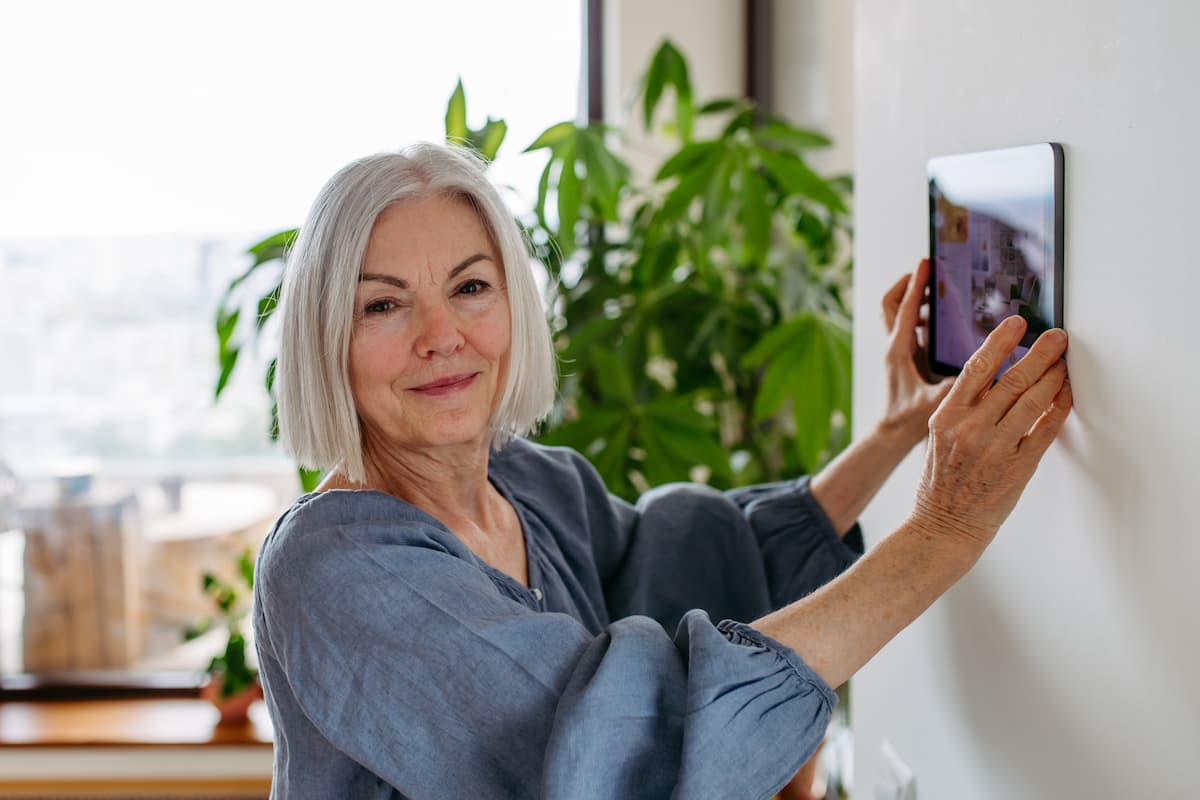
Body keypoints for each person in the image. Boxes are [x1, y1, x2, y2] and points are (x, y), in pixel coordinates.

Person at [252, 143, 1072, 800]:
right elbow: (609, 755)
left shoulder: (532, 484)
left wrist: (895, 434)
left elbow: (702, 561)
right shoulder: (334, 567)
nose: (442, 335)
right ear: (328, 338)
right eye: (384, 304)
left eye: (470, 286)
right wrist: (942, 533)